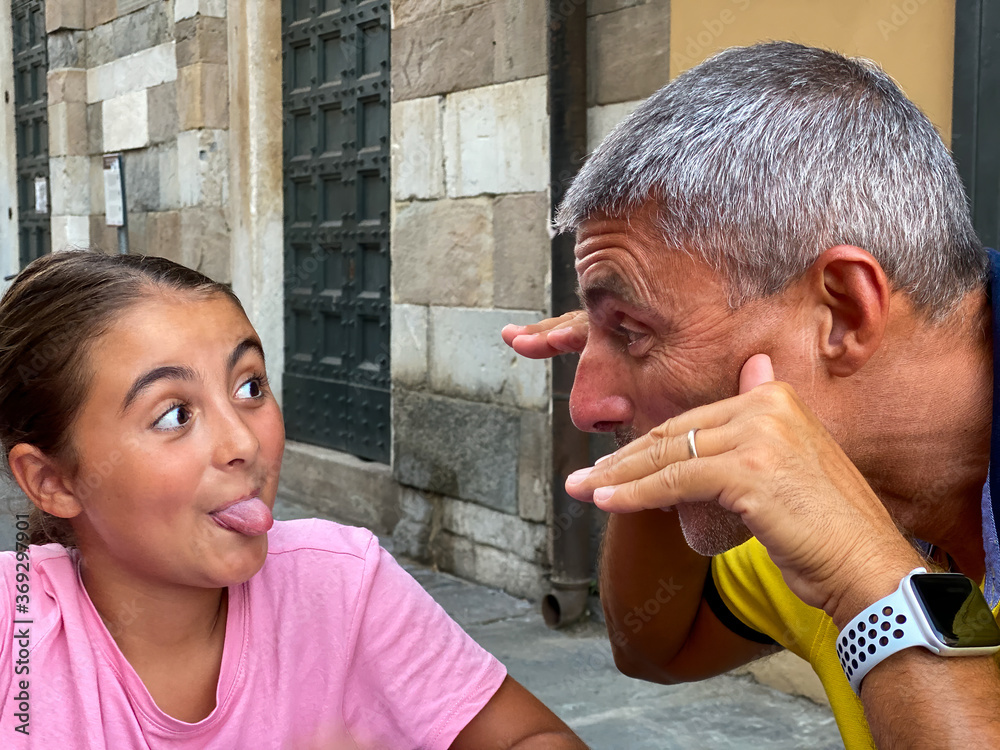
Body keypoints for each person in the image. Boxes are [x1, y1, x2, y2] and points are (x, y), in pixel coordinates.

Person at [503, 41, 1000, 749]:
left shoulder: (829, 509)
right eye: (597, 332)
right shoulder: (814, 470)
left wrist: (871, 582)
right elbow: (652, 644)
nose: (585, 407)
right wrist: (655, 419)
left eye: (635, 329)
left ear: (845, 311)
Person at [0, 250, 586, 749]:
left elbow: (533, 738)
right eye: (174, 415)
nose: (243, 441)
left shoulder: (340, 583)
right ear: (53, 481)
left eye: (249, 386)